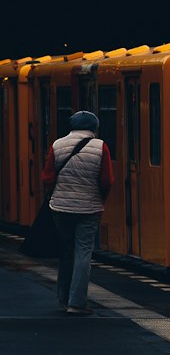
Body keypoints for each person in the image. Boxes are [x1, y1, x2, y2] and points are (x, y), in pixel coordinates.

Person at [41, 109, 113, 315]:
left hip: (60, 208)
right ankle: (77, 303)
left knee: (66, 252)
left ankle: (63, 299)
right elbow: (107, 180)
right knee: (83, 253)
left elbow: (47, 178)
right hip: (89, 208)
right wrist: (100, 199)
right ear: (94, 128)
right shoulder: (101, 147)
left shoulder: (57, 145)